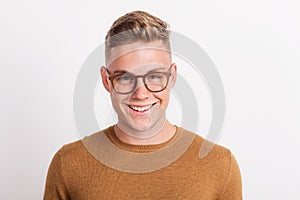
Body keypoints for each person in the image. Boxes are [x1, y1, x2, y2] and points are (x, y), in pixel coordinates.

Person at [44, 10, 242, 199]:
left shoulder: (220, 165)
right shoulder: (68, 164)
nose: (141, 94)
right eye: (125, 78)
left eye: (154, 76)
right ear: (106, 80)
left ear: (172, 77)